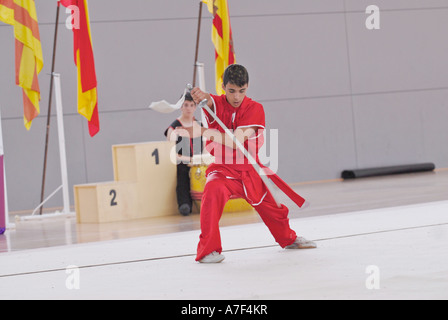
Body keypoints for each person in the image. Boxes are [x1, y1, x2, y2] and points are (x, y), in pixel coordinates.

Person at [177, 64, 316, 263]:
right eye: (232, 91)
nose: (236, 97)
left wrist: (203, 132)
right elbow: (208, 99)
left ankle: (288, 239)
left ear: (247, 87)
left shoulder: (255, 109)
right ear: (223, 86)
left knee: (273, 209)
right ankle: (208, 250)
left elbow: (236, 141)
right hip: (223, 170)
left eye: (241, 91)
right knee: (212, 193)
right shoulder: (216, 103)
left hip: (250, 170)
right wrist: (198, 94)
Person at [165, 92, 204, 216]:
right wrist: (188, 159)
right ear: (181, 107)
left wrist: (200, 159)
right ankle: (184, 203)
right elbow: (170, 152)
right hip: (182, 162)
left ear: (195, 107)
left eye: (191, 105)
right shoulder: (174, 128)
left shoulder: (200, 126)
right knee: (182, 172)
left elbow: (207, 148)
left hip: (198, 163)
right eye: (186, 105)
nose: (188, 108)